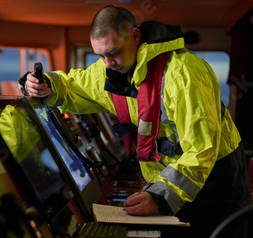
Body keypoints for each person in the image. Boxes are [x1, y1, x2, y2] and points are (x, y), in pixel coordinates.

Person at [18, 5, 251, 237]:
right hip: (168, 179)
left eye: (113, 52)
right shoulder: (110, 70)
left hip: (216, 182)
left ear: (135, 36)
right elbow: (73, 85)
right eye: (101, 55)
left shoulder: (183, 74)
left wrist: (159, 196)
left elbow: (201, 150)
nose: (108, 62)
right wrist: (45, 85)